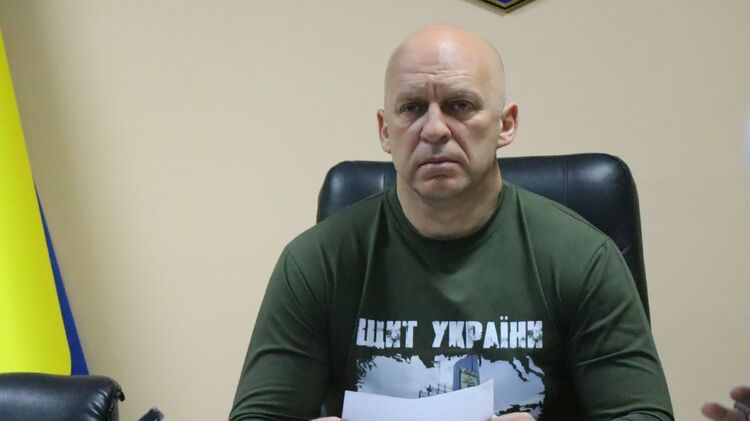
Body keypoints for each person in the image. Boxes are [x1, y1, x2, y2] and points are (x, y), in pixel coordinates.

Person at [229, 24, 673, 421]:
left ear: (506, 124)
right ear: (385, 130)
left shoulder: (582, 257)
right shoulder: (317, 261)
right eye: (411, 108)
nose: (434, 129)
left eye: (460, 105)